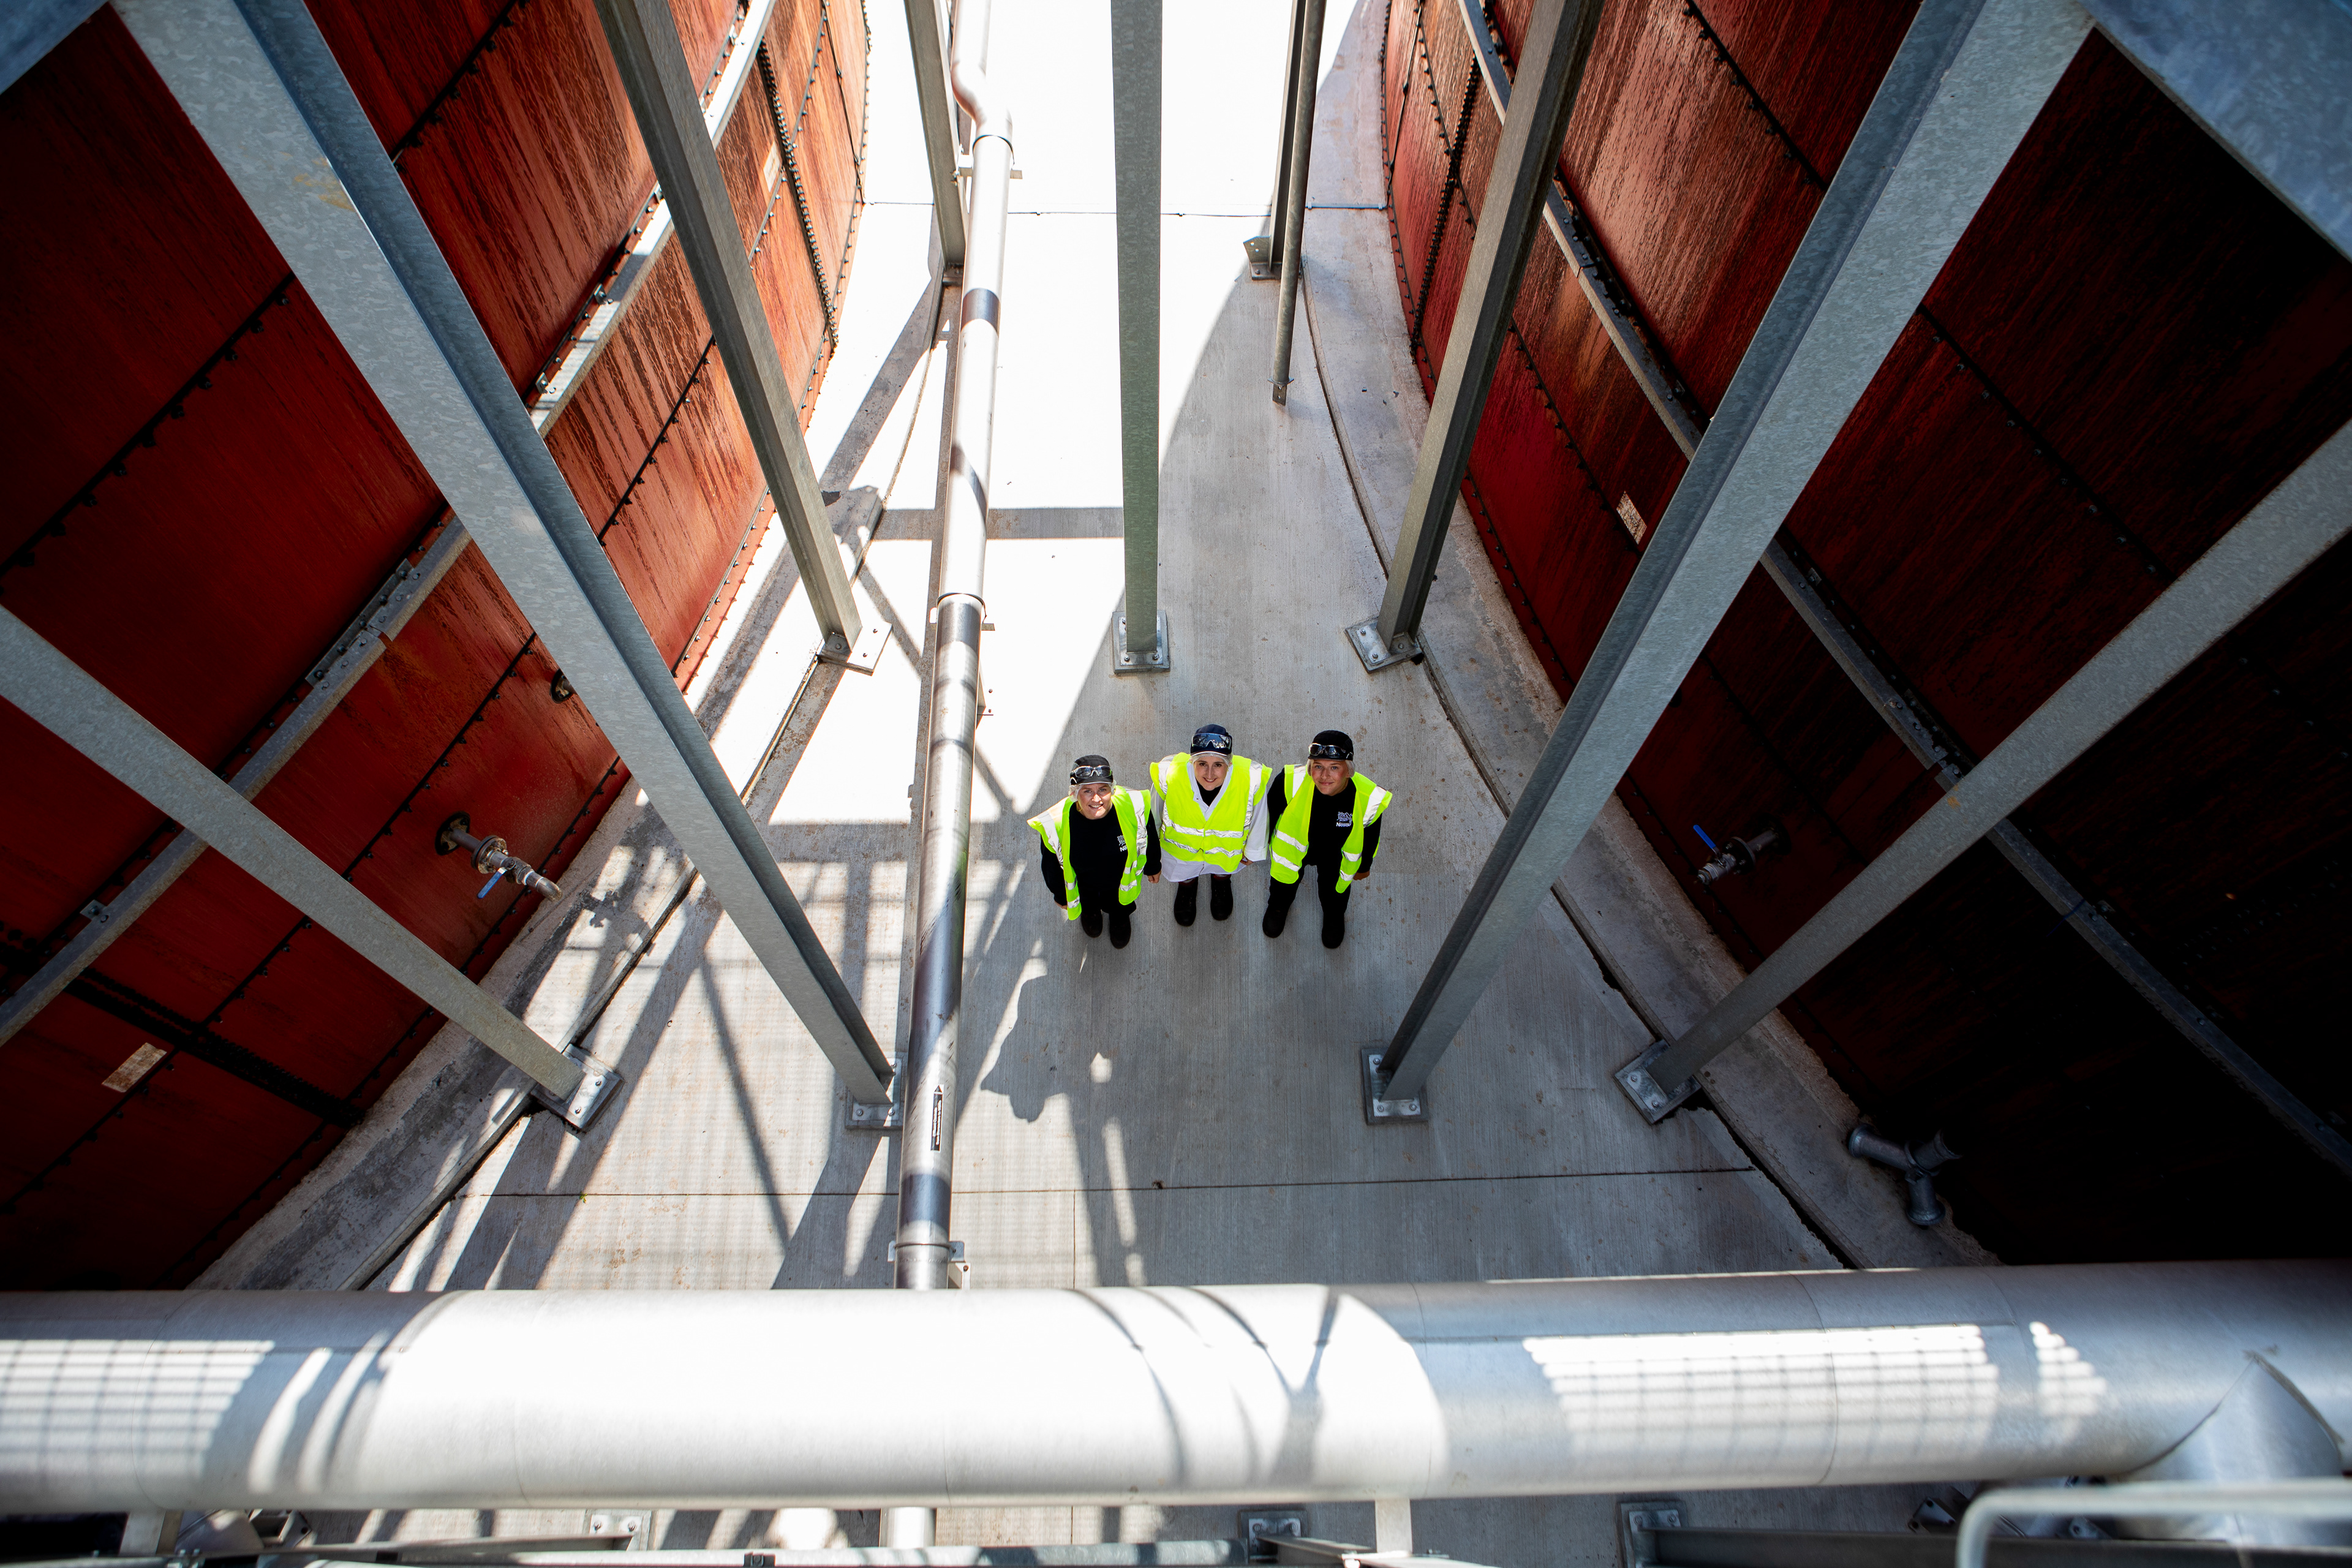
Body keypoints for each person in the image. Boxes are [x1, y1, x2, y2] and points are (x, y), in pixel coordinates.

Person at [1262, 729, 1392, 949]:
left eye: (1334, 768)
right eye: (1318, 767)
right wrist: (1257, 847)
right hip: (1295, 850)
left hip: (1335, 855)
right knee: (1283, 883)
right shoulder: (1289, 781)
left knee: (1335, 890)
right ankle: (1278, 907)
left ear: (1348, 771)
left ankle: (1334, 916)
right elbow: (1269, 816)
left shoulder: (1368, 797)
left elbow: (1371, 835)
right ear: (1310, 767)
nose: (1324, 776)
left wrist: (1364, 865)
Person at [1031, 755, 1159, 948]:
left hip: (1119, 883)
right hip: (1085, 886)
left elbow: (1148, 833)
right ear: (1075, 794)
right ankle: (1091, 913)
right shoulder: (1056, 823)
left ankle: (1120, 918)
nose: (1097, 799)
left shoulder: (1134, 806)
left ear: (1112, 790)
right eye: (1087, 791)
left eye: (1103, 789)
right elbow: (1050, 865)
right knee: (1089, 903)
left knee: (1119, 905)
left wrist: (1153, 865)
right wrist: (1060, 894)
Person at [1150, 723, 1271, 926]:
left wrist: (1253, 849)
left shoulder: (1250, 779)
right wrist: (1152, 856)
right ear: (1192, 762)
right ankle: (1187, 887)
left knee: (1222, 869)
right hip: (1182, 853)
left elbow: (1260, 817)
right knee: (1185, 871)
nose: (1210, 774)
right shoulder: (1169, 774)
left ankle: (1221, 884)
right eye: (1202, 764)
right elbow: (1153, 816)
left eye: (1218, 765)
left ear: (1229, 764)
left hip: (1225, 853)